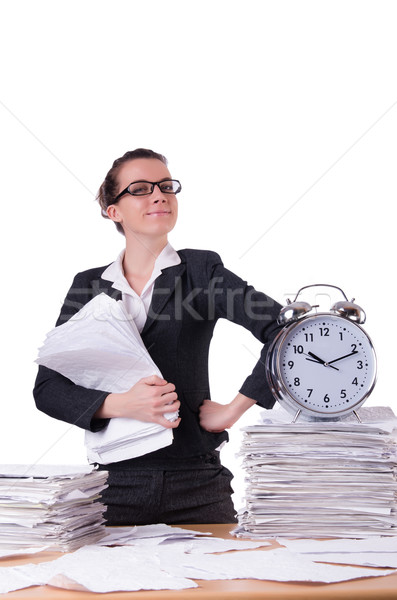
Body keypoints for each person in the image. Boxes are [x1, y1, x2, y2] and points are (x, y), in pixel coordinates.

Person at [33, 148, 282, 525]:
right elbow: (48, 387)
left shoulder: (202, 271)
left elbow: (286, 330)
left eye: (166, 185)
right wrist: (120, 404)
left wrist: (236, 407)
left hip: (198, 482)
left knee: (222, 582)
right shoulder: (88, 286)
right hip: (112, 486)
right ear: (113, 210)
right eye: (140, 189)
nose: (159, 194)